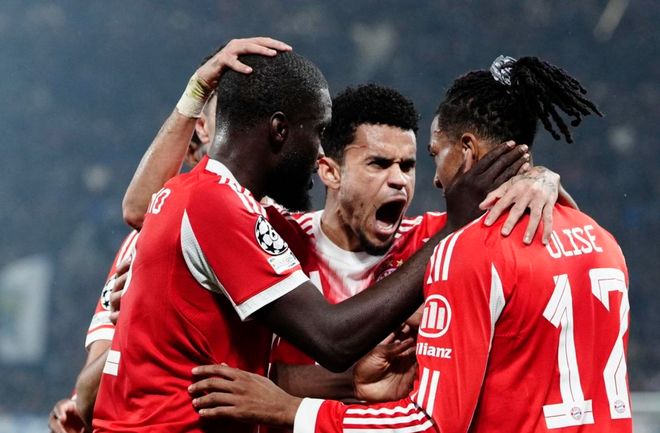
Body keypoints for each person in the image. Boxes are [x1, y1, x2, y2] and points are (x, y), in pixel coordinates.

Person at [91, 44, 528, 433]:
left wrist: (539, 180)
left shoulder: (198, 195)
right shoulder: (222, 207)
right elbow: (332, 339)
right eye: (318, 132)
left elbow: (139, 208)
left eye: (408, 166)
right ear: (280, 130)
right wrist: (453, 231)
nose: (321, 152)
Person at [188, 56, 631, 433]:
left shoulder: (446, 241)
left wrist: (540, 178)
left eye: (414, 163)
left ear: (467, 150)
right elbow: (154, 210)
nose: (406, 180)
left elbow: (432, 423)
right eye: (379, 163)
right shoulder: (277, 234)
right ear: (330, 171)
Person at [48, 37, 290, 433]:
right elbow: (88, 397)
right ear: (203, 128)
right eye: (231, 111)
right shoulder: (142, 242)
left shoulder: (291, 230)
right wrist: (140, 315)